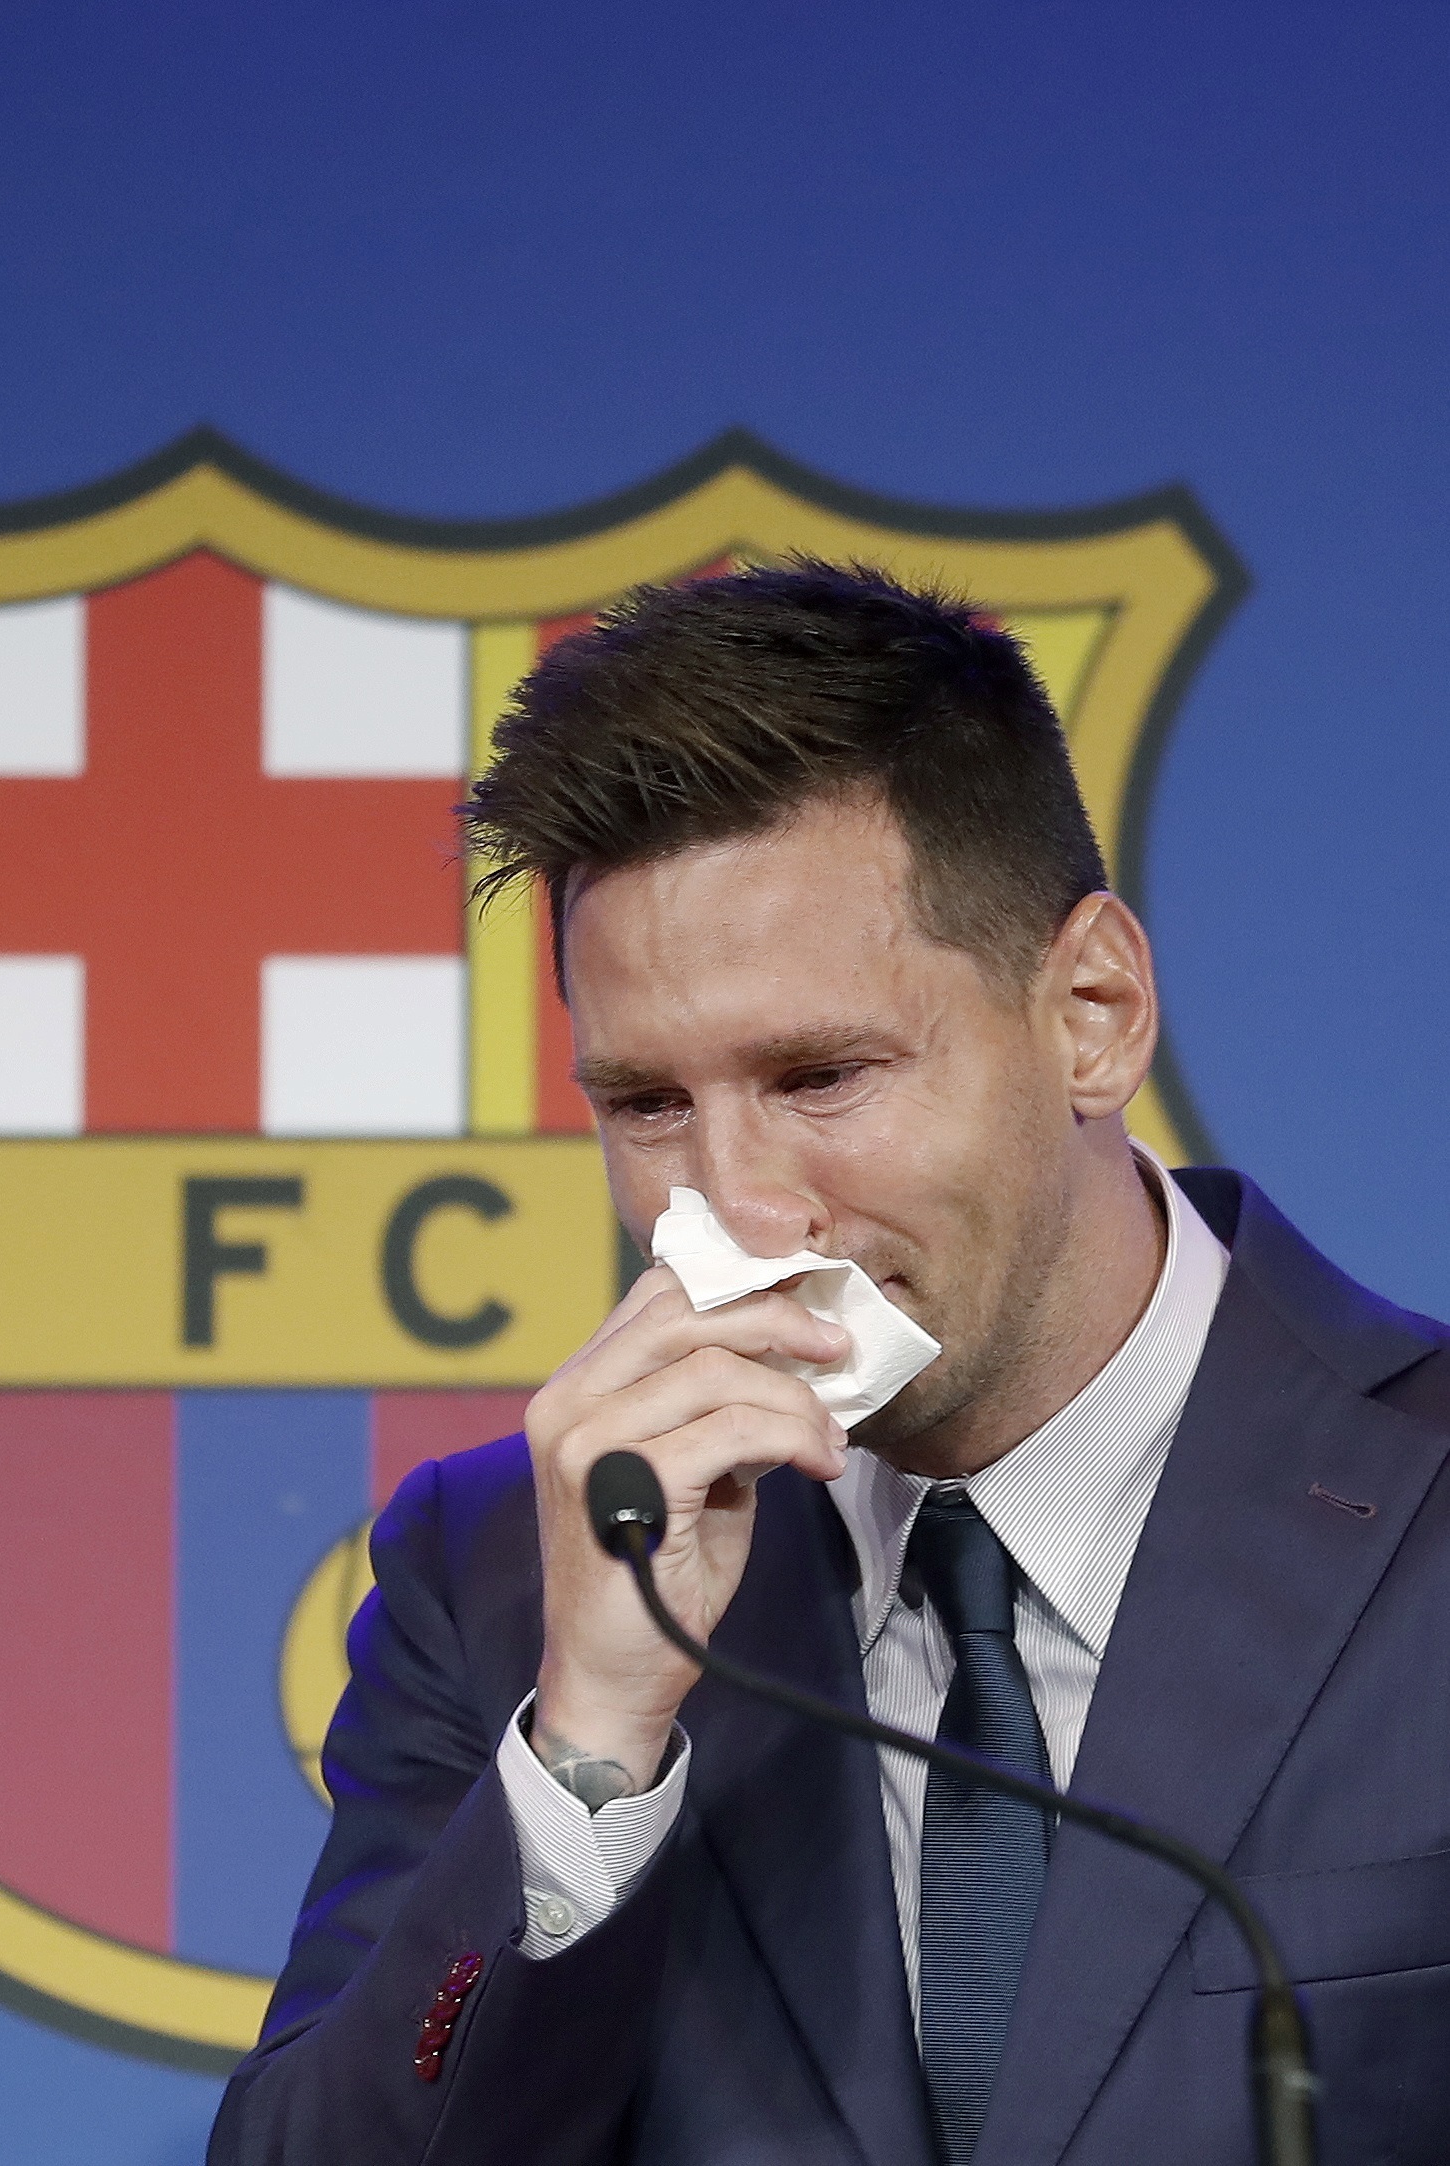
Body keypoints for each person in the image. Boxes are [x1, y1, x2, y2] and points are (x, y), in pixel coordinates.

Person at [208, 563, 1450, 2166]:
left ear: (1093, 1011)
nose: (733, 1207)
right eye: (646, 1105)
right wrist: (591, 1750)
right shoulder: (501, 1572)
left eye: (822, 1073)